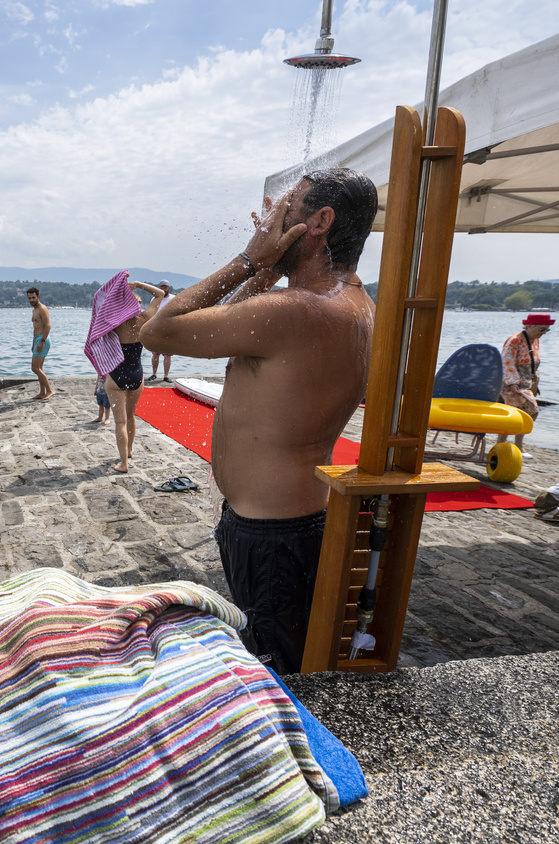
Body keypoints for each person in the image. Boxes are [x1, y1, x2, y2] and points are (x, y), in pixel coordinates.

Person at [139, 168, 379, 674]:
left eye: (285, 208)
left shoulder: (297, 310)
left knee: (286, 677)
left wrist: (250, 258)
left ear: (320, 221)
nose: (270, 218)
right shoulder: (347, 303)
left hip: (274, 536)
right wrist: (263, 279)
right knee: (291, 660)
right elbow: (244, 336)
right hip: (288, 522)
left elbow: (159, 331)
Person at [84, 274, 166, 473]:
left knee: (119, 421)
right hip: (137, 374)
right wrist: (138, 284)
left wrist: (116, 286)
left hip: (117, 374)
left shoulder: (112, 323)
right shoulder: (144, 319)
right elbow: (160, 293)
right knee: (131, 417)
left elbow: (99, 299)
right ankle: (129, 450)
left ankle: (124, 463)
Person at [498, 313, 553, 457]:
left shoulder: (534, 340)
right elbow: (506, 361)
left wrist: (535, 379)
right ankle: (517, 445)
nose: (544, 333)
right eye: (541, 329)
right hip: (512, 384)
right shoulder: (514, 340)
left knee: (517, 414)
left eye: (547, 330)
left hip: (527, 383)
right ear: (529, 326)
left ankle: (507, 444)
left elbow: (533, 361)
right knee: (530, 410)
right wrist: (513, 382)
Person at [27, 287, 54, 400]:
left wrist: (42, 341)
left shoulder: (43, 309)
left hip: (43, 338)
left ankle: (50, 390)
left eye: (33, 297)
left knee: (35, 368)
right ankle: (42, 392)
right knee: (39, 368)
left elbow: (48, 326)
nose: (31, 300)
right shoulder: (34, 310)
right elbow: (35, 328)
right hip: (38, 339)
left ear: (38, 296)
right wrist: (34, 343)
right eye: (29, 298)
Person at [147, 280, 176, 383]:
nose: (163, 289)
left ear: (169, 288)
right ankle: (154, 374)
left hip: (168, 329)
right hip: (156, 329)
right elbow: (150, 313)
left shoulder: (173, 299)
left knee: (167, 354)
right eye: (161, 287)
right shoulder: (154, 299)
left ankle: (166, 375)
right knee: (155, 353)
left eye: (165, 287)